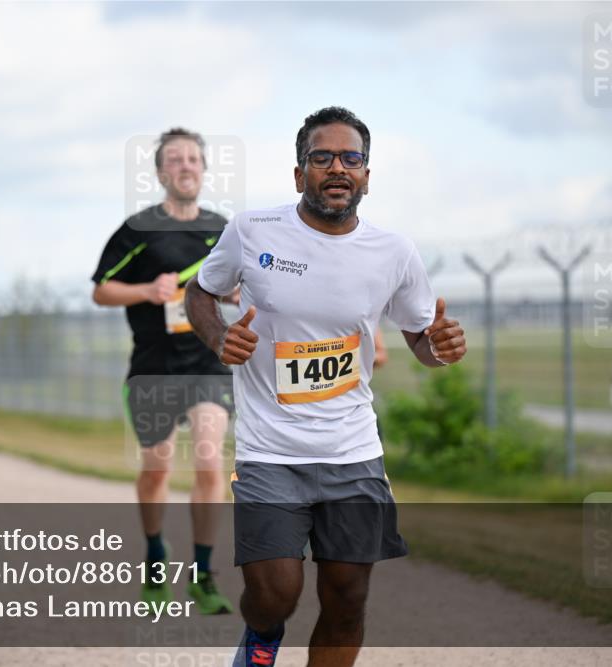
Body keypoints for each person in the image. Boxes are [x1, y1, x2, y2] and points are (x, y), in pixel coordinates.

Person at [185, 107, 467, 666]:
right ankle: (261, 637)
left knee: (347, 598)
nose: (338, 168)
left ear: (366, 175)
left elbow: (420, 338)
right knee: (276, 593)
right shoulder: (252, 231)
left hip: (353, 452)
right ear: (299, 174)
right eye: (322, 157)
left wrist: (439, 348)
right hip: (271, 453)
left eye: (351, 158)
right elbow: (200, 293)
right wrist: (219, 338)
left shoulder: (394, 252)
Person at [91, 128, 238, 615]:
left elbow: (242, 284)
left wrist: (234, 295)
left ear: (204, 168)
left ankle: (203, 573)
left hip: (206, 364)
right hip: (153, 367)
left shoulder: (223, 229)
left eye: (193, 158)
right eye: (175, 159)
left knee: (210, 460)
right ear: (160, 172)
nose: (186, 166)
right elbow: (102, 290)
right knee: (156, 469)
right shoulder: (138, 229)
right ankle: (156, 556)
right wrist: (146, 291)